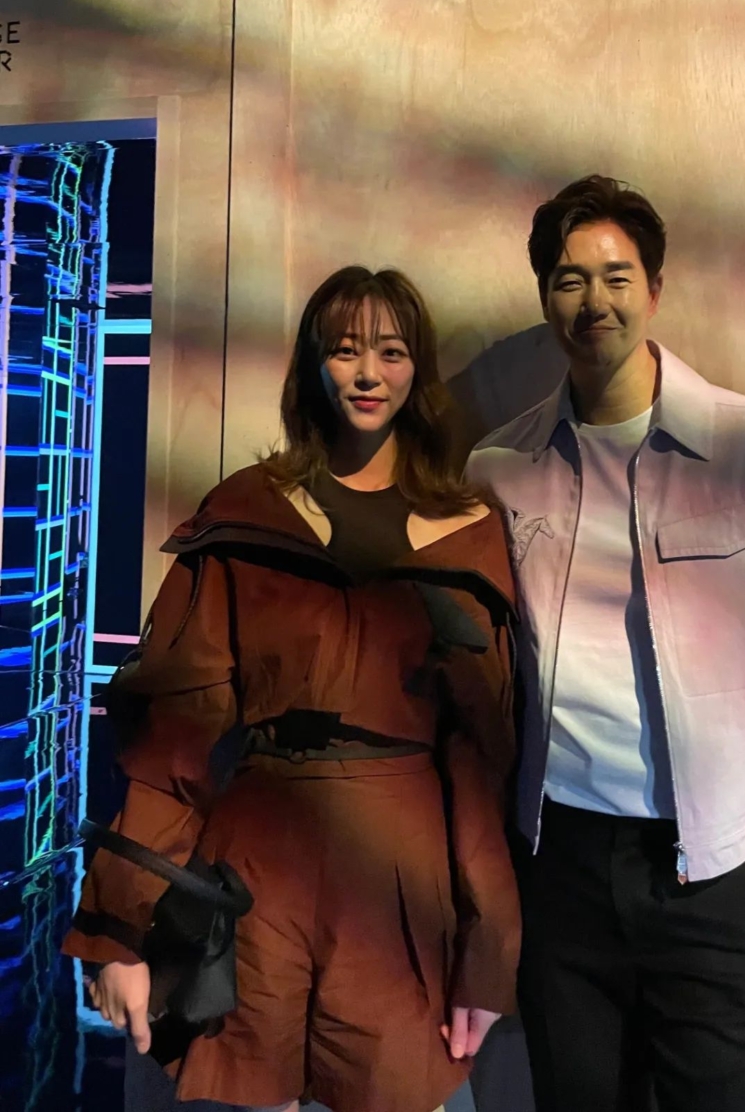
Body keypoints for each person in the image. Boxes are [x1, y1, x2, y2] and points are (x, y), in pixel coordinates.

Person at [465, 175, 745, 1112]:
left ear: (654, 290)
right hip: (561, 875)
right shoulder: (499, 470)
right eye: (569, 279)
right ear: (545, 299)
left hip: (726, 880)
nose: (594, 300)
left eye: (617, 276)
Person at [63, 266, 521, 1112]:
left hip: (401, 874)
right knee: (251, 1087)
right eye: (345, 350)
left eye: (390, 352)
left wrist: (488, 955)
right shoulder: (250, 514)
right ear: (313, 364)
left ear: (416, 370)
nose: (367, 373)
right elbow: (175, 739)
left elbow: (481, 767)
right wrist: (120, 931)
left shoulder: (467, 535)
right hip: (258, 869)